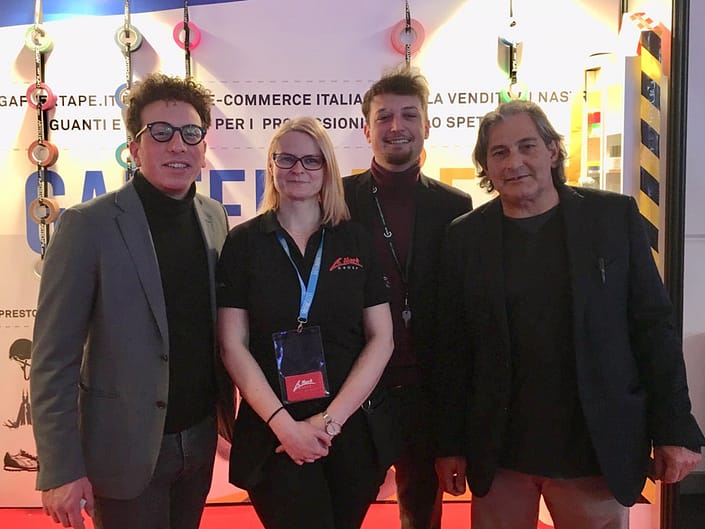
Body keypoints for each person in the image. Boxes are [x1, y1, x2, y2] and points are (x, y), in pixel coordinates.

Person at [434, 99, 705, 529]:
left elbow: (653, 327)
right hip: (500, 456)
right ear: (486, 165)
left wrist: (675, 428)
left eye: (527, 146)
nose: (514, 162)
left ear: (552, 150)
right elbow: (452, 350)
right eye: (499, 152)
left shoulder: (611, 218)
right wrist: (449, 444)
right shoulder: (465, 237)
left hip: (593, 452)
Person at [30, 73, 234, 529]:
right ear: (135, 148)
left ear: (204, 146)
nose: (177, 145)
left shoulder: (214, 216)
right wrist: (60, 468)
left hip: (199, 440)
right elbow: (53, 358)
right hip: (123, 449)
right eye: (160, 133)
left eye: (191, 133)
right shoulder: (89, 225)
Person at [216, 116, 394, 529]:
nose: (298, 169)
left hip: (349, 429)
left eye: (311, 160)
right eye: (287, 159)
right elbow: (232, 345)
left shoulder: (354, 239)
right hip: (273, 435)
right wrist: (286, 427)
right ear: (272, 166)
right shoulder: (244, 243)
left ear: (327, 169)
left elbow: (382, 339)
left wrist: (328, 422)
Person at [343, 66, 472, 529]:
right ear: (366, 130)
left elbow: (459, 310)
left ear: (427, 126)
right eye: (384, 117)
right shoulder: (338, 201)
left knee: (421, 514)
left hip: (427, 388)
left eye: (409, 115)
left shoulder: (455, 206)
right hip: (356, 385)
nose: (396, 126)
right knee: (342, 509)